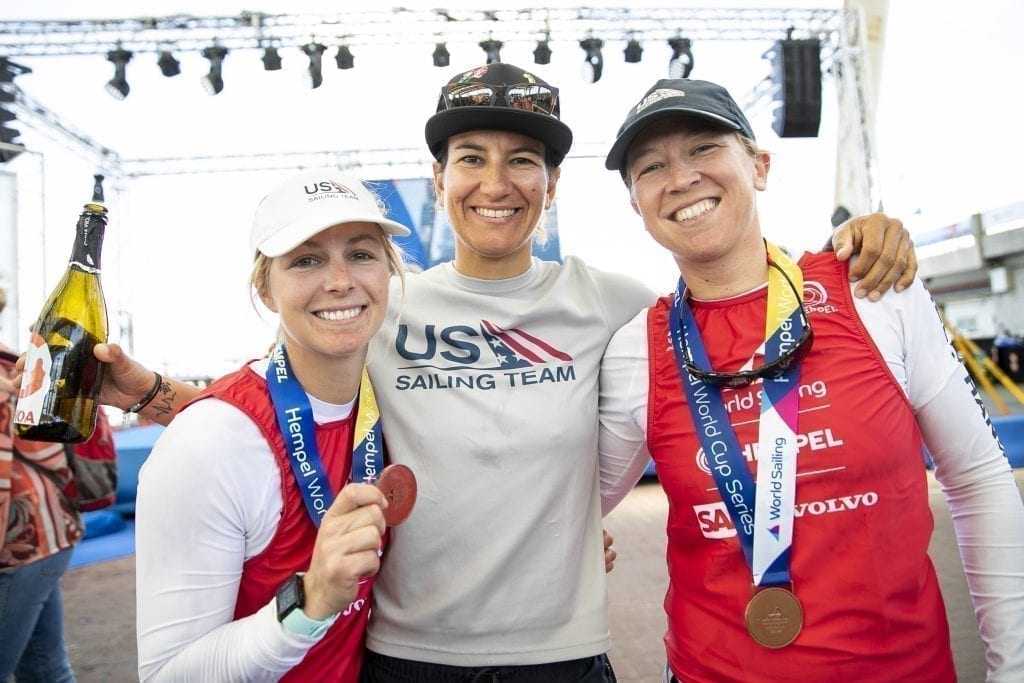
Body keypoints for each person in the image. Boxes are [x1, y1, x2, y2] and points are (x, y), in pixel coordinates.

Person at [61, 64, 917, 682]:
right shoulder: (374, 302)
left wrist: (856, 244)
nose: (495, 182)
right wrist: (151, 393)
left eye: (523, 161)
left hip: (566, 654)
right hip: (406, 658)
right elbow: (283, 403)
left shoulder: (619, 305)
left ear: (550, 187)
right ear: (439, 179)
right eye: (471, 157)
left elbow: (735, 297)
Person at [597, 78, 1024, 681]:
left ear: (760, 165)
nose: (681, 177)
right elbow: (568, 505)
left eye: (702, 148)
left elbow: (978, 477)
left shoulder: (874, 292)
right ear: (637, 203)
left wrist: (1013, 667)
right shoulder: (635, 349)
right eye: (650, 167)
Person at [132, 169, 408, 681]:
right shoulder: (210, 442)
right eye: (306, 260)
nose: (341, 281)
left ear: (387, 272)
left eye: (362, 253)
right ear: (265, 289)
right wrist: (310, 602)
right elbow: (167, 674)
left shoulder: (396, 400)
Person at [1, 285, 117, 683]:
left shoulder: (11, 375)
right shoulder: (16, 363)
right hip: (46, 534)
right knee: (45, 667)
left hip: (20, 543)